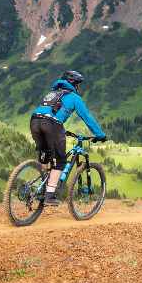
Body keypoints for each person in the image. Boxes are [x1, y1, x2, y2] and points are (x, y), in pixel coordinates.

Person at [30, 70, 106, 205]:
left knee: (46, 156)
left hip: (35, 121)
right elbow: (87, 117)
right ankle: (49, 196)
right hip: (52, 124)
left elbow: (44, 111)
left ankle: (40, 187)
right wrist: (99, 135)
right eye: (78, 84)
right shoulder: (74, 97)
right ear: (75, 84)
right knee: (60, 162)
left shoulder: (52, 93)